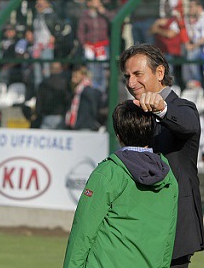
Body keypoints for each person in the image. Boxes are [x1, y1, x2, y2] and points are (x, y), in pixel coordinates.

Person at [64, 100, 178, 267]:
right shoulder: (169, 177)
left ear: (118, 135)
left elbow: (83, 230)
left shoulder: (109, 172)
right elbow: (169, 238)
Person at [119, 44, 204, 267]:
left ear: (160, 73)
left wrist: (162, 109)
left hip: (175, 226)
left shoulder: (182, 108)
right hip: (139, 224)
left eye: (138, 74)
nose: (131, 83)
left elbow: (188, 124)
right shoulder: (133, 111)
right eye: (127, 76)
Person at [65, 66, 103, 131]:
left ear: (83, 76)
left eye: (76, 75)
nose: (72, 79)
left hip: (85, 127)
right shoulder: (77, 91)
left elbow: (93, 109)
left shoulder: (87, 91)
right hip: (79, 127)